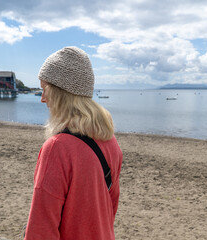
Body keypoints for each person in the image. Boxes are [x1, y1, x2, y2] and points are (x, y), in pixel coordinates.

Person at [24, 47, 123, 240]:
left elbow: (41, 229)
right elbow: (111, 206)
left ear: (61, 94)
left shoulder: (57, 148)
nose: (42, 99)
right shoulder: (110, 140)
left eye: (45, 90)